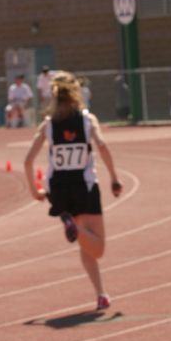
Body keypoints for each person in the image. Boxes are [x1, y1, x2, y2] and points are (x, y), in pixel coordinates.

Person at [23, 71, 122, 310]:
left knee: (85, 244)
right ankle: (74, 227)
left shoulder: (48, 125)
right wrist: (114, 178)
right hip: (84, 186)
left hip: (58, 189)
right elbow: (102, 146)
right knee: (97, 248)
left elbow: (28, 161)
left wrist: (34, 190)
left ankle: (101, 293)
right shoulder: (87, 121)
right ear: (76, 94)